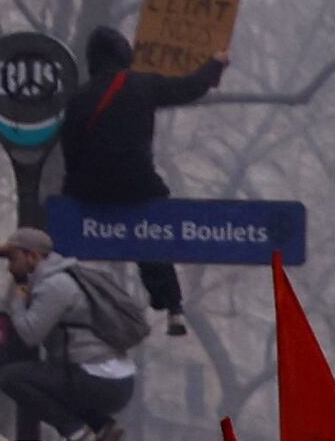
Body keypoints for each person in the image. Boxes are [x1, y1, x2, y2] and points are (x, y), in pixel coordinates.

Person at [50, 21, 222, 330]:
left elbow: (70, 150)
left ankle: (67, 299)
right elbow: (188, 88)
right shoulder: (142, 85)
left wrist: (73, 188)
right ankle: (170, 303)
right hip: (136, 183)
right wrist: (215, 65)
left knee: (82, 230)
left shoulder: (78, 98)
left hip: (88, 191)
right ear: (123, 54)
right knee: (152, 224)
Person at [0, 225, 150, 440]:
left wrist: (17, 302)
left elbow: (30, 334)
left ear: (32, 256)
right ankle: (101, 426)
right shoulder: (70, 276)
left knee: (11, 377)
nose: (10, 268)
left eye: (13, 259)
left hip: (96, 379)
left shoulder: (56, 285)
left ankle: (76, 431)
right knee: (50, 378)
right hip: (114, 379)